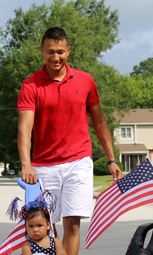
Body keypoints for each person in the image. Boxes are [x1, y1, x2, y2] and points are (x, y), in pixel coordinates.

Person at [17, 27, 122, 255]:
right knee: (46, 226)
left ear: (69, 51)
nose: (56, 57)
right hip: (45, 165)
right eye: (50, 52)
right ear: (41, 51)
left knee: (72, 224)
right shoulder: (30, 85)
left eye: (60, 52)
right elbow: (25, 127)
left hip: (79, 161)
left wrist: (111, 159)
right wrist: (26, 163)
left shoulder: (85, 80)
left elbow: (100, 122)